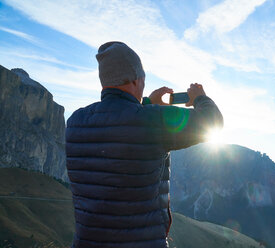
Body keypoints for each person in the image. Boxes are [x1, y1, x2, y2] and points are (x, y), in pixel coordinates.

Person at [65, 41, 223, 248]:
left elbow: (119, 126)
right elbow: (213, 122)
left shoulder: (76, 121)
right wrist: (200, 97)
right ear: (135, 79)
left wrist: (147, 104)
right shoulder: (151, 121)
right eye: (143, 79)